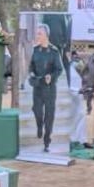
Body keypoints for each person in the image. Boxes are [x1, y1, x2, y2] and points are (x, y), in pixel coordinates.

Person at [29, 23, 64, 152]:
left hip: (49, 88)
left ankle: (46, 142)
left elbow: (59, 69)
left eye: (40, 33)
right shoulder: (35, 50)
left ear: (46, 35)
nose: (37, 36)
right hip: (37, 86)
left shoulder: (54, 51)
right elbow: (31, 66)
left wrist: (51, 76)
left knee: (49, 116)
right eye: (37, 33)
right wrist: (32, 74)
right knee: (37, 110)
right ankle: (39, 125)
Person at [69, 56, 89, 149]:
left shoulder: (76, 72)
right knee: (74, 121)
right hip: (71, 101)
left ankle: (82, 140)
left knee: (82, 118)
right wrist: (78, 91)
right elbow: (68, 87)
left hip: (78, 100)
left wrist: (84, 90)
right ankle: (73, 140)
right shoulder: (69, 72)